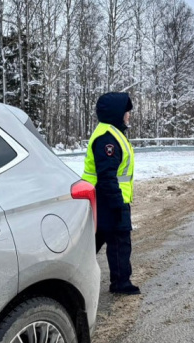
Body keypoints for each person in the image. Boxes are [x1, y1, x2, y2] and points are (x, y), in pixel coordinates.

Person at [82, 92, 140, 295]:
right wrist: (116, 204)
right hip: (108, 200)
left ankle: (76, 278)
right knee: (118, 242)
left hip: (105, 199)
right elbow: (107, 176)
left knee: (96, 242)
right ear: (117, 113)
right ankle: (120, 283)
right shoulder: (108, 138)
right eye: (126, 112)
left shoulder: (111, 133)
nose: (128, 116)